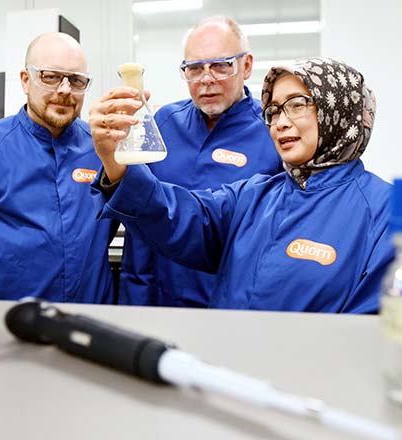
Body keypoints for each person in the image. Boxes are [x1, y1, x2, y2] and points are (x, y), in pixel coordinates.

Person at [89, 57, 392, 313]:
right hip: (225, 369)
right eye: (273, 110)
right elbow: (179, 215)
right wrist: (113, 159)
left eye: (297, 105)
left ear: (340, 112)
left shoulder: (384, 213)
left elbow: (369, 328)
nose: (281, 122)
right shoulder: (256, 195)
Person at [120, 16, 283, 308]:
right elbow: (139, 220)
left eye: (221, 65)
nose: (206, 79)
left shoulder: (275, 132)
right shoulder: (163, 124)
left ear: (246, 66)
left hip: (230, 306)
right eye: (194, 69)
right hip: (160, 302)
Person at [0, 32, 114, 302]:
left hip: (92, 317)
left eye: (76, 80)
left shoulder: (103, 149)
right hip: (12, 318)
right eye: (50, 76)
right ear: (26, 80)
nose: (64, 90)